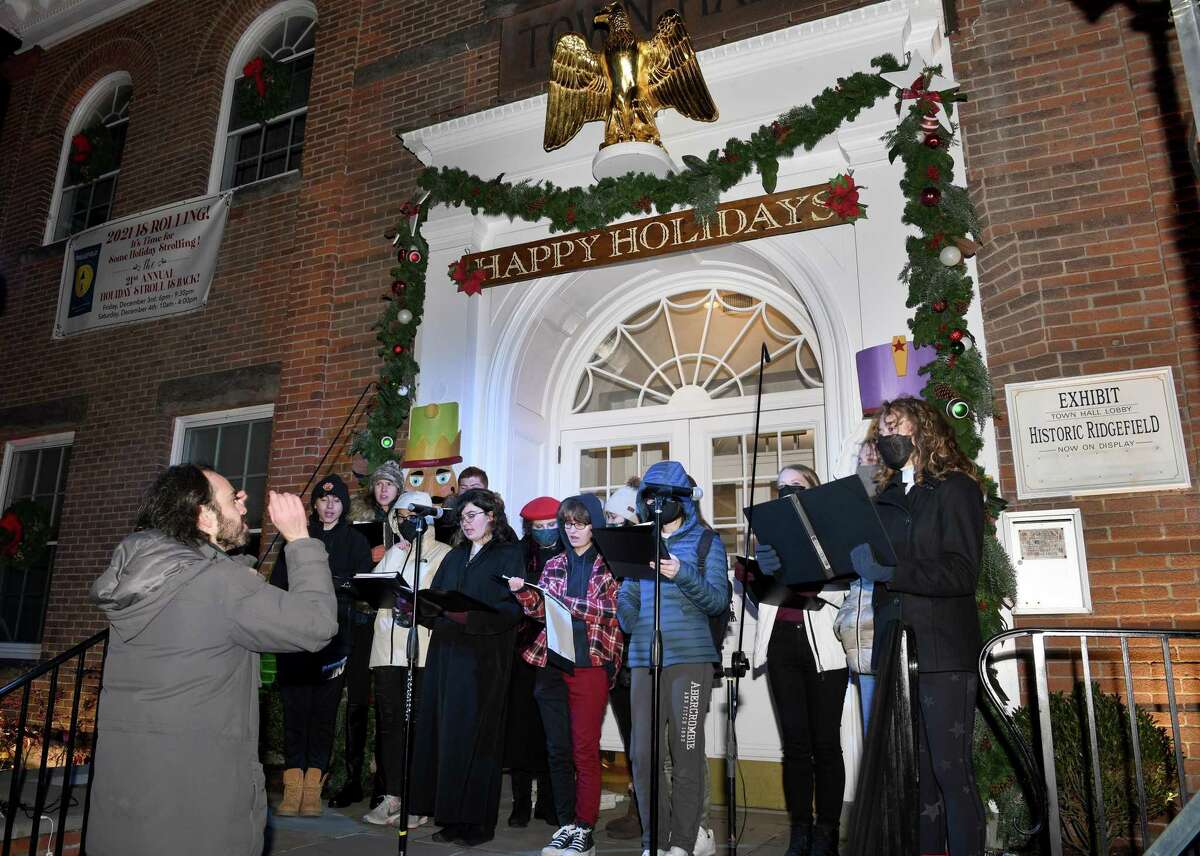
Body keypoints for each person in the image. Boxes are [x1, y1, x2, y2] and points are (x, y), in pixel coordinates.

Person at [88, 465, 337, 856]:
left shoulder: (145, 575)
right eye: (231, 497)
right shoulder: (221, 586)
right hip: (198, 807)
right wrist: (301, 539)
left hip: (128, 798)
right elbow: (317, 624)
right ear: (204, 515)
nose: (243, 502)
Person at [849, 396, 986, 856]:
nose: (885, 437)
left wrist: (894, 573)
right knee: (917, 775)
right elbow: (855, 563)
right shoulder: (886, 499)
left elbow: (962, 573)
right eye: (880, 432)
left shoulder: (956, 489)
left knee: (950, 771)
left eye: (894, 426)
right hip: (896, 647)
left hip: (943, 649)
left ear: (923, 428)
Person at [618, 461, 731, 856]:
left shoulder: (705, 542)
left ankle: (683, 843)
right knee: (643, 755)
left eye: (667, 497)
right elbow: (628, 598)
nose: (658, 504)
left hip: (689, 660)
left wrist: (681, 573)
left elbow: (717, 600)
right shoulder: (639, 542)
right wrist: (627, 608)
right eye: (651, 497)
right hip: (643, 660)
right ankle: (655, 841)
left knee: (685, 751)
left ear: (683, 501)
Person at [509, 494, 624, 856]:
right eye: (568, 523)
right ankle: (567, 825)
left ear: (595, 525)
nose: (573, 530)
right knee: (557, 750)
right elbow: (542, 611)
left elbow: (611, 610)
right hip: (553, 661)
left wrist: (564, 604)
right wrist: (524, 595)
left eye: (581, 522)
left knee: (584, 750)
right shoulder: (555, 562)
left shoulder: (609, 564)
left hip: (590, 663)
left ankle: (585, 829)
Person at [408, 488, 524, 846]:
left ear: (492, 515)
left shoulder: (509, 554)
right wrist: (413, 607)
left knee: (478, 740)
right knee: (448, 738)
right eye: (462, 517)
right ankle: (451, 818)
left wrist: (467, 616)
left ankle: (477, 823)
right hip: (447, 657)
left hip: (484, 660)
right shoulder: (455, 556)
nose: (466, 522)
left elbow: (511, 609)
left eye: (473, 515)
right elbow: (436, 600)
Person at [750, 465, 848, 856]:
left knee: (825, 745)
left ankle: (827, 832)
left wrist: (816, 587)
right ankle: (800, 831)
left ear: (813, 491)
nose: (786, 492)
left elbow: (847, 589)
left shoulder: (833, 532)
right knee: (794, 746)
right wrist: (759, 575)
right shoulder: (769, 539)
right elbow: (762, 599)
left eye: (795, 486)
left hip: (824, 646)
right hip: (781, 646)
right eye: (780, 487)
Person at [269, 474, 373, 817]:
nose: (329, 506)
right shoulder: (294, 540)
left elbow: (360, 586)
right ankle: (293, 785)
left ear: (343, 506)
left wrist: (334, 584)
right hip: (294, 638)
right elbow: (278, 585)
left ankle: (313, 787)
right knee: (295, 710)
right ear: (314, 504)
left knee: (324, 713)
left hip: (335, 640)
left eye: (337, 500)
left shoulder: (355, 542)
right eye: (323, 500)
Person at [362, 490, 451, 826]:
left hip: (422, 649)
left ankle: (419, 799)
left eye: (413, 516)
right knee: (390, 725)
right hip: (387, 648)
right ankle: (393, 795)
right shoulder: (392, 554)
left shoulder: (444, 553)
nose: (407, 522)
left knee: (420, 726)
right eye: (400, 517)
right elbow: (374, 590)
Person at [333, 459, 405, 809]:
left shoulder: (408, 523)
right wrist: (368, 558)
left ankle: (384, 783)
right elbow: (348, 573)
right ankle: (351, 779)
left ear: (399, 488)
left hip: (392, 621)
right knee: (357, 700)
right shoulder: (358, 523)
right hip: (362, 619)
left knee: (388, 704)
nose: (383, 489)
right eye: (378, 484)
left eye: (389, 484)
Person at [505, 496, 563, 828]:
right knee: (522, 726)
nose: (543, 532)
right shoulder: (519, 551)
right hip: (523, 646)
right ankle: (520, 802)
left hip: (558, 648)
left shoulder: (570, 550)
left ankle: (548, 801)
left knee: (552, 727)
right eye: (537, 527)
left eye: (550, 526)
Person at [601, 480, 642, 840]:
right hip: (615, 658)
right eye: (607, 517)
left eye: (615, 518)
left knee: (646, 739)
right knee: (631, 738)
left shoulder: (639, 554)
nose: (609, 525)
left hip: (641, 658)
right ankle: (639, 806)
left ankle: (645, 810)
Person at [834, 441, 882, 732]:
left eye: (874, 455)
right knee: (873, 731)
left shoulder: (898, 499)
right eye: (864, 456)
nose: (869, 459)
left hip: (890, 625)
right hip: (862, 631)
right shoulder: (848, 507)